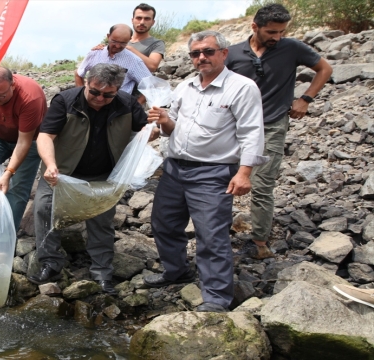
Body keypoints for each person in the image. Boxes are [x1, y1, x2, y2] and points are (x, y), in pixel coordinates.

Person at [144, 31, 269, 312]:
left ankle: (216, 298)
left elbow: (251, 132)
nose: (201, 57)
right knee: (164, 224)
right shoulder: (185, 86)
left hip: (213, 173)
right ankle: (176, 272)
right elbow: (171, 123)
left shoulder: (242, 87)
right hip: (174, 168)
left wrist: (244, 172)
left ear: (224, 54)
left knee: (211, 235)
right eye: (195, 53)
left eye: (208, 51)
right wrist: (162, 122)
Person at [29, 63, 159, 294]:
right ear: (86, 83)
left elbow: (144, 132)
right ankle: (50, 263)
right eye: (95, 92)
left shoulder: (127, 103)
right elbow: (45, 136)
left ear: (118, 89)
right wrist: (50, 165)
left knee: (101, 221)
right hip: (62, 172)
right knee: (44, 210)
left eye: (108, 95)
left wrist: (153, 129)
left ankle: (102, 272)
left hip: (105, 175)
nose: (100, 98)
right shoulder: (66, 101)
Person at [225, 4, 333, 259]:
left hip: (271, 125)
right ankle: (219, 233)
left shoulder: (292, 48)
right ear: (255, 27)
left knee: (261, 184)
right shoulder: (233, 54)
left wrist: (305, 98)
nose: (277, 37)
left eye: (282, 32)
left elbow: (324, 69)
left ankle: (259, 243)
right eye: (272, 32)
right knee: (223, 179)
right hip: (234, 128)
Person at [0, 67, 46, 232]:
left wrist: (8, 172)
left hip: (30, 140)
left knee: (18, 185)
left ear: (12, 85)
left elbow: (23, 142)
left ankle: (6, 231)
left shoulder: (30, 97)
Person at [75, 24, 152, 95]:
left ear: (129, 39)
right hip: (93, 102)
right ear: (108, 36)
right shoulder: (94, 54)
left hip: (119, 105)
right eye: (114, 41)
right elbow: (78, 74)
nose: (118, 46)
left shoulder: (134, 61)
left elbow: (150, 85)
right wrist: (82, 97)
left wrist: (136, 104)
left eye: (123, 43)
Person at [128, 3, 166, 72]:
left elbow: (152, 66)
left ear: (153, 22)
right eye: (139, 18)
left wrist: (130, 49)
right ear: (132, 20)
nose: (142, 22)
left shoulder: (157, 44)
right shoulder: (122, 41)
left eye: (147, 19)